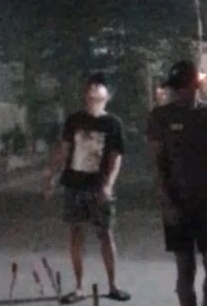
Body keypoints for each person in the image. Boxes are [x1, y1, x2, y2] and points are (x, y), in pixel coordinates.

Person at [147, 60, 207, 306]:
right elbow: (158, 166)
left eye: (183, 86)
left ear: (195, 85)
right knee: (185, 268)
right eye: (175, 87)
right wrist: (167, 204)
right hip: (177, 201)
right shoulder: (161, 117)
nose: (179, 91)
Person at [42, 73, 131, 303]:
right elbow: (64, 150)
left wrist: (108, 184)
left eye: (98, 92)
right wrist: (51, 174)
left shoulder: (113, 124)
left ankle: (113, 285)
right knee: (76, 235)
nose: (93, 96)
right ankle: (79, 287)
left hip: (99, 186)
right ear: (86, 95)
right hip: (74, 185)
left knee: (105, 235)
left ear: (107, 97)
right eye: (91, 92)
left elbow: (115, 158)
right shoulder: (74, 120)